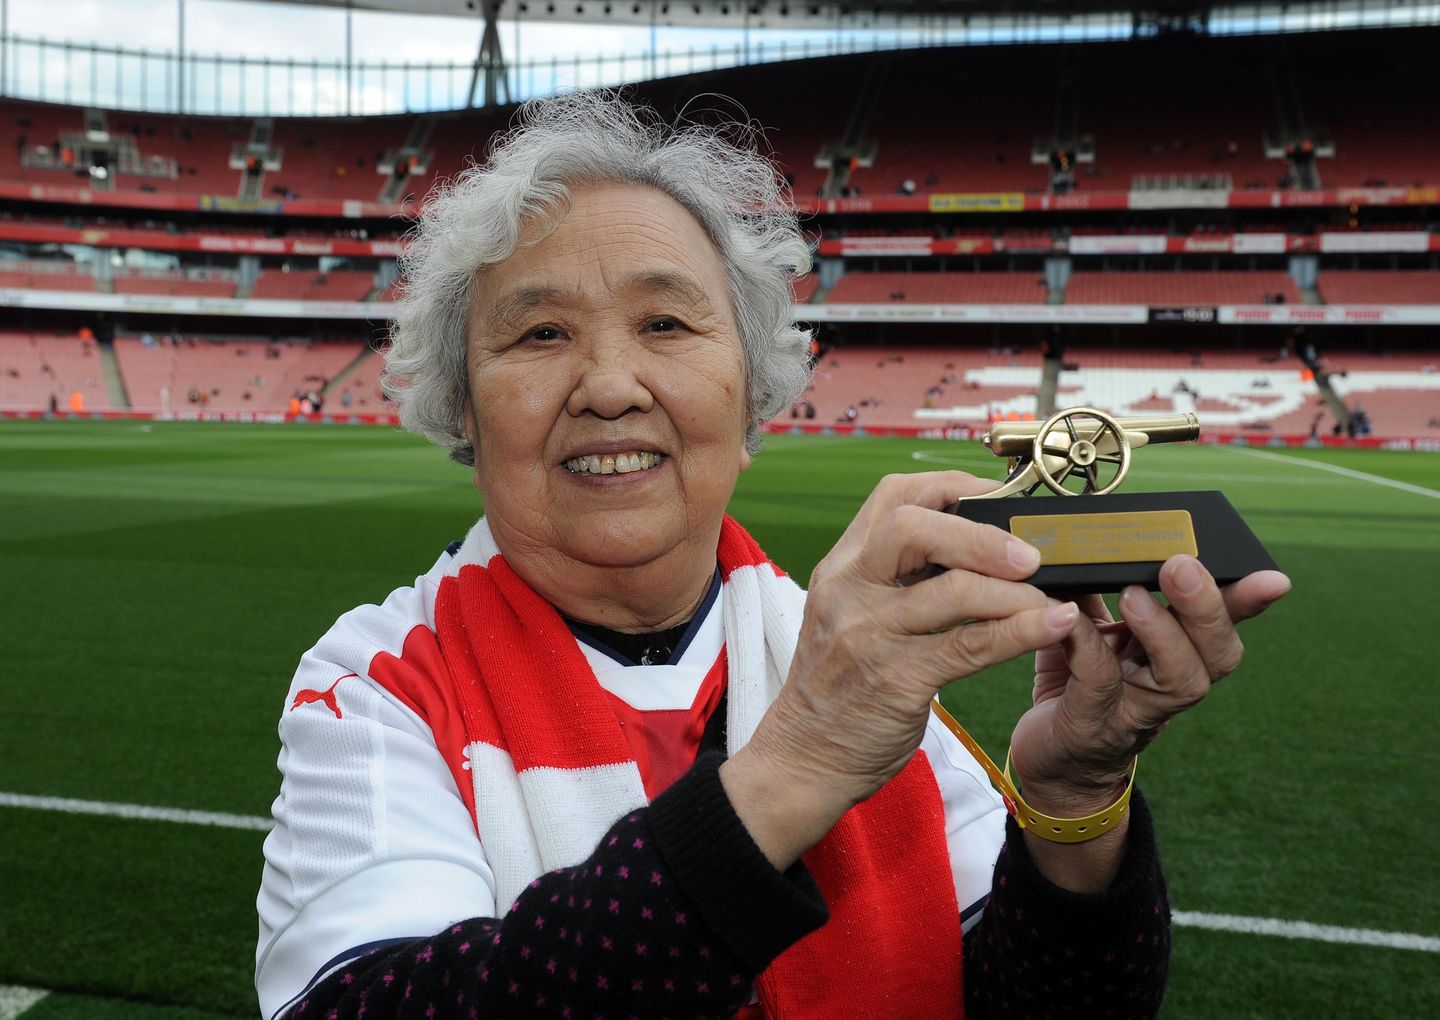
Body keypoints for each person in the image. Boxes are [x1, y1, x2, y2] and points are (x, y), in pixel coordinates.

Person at [256, 93, 1290, 1020]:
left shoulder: (849, 655)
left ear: (750, 406)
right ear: (463, 414)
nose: (610, 383)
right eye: (538, 337)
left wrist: (1073, 802)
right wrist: (801, 764)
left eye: (666, 322)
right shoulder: (378, 690)